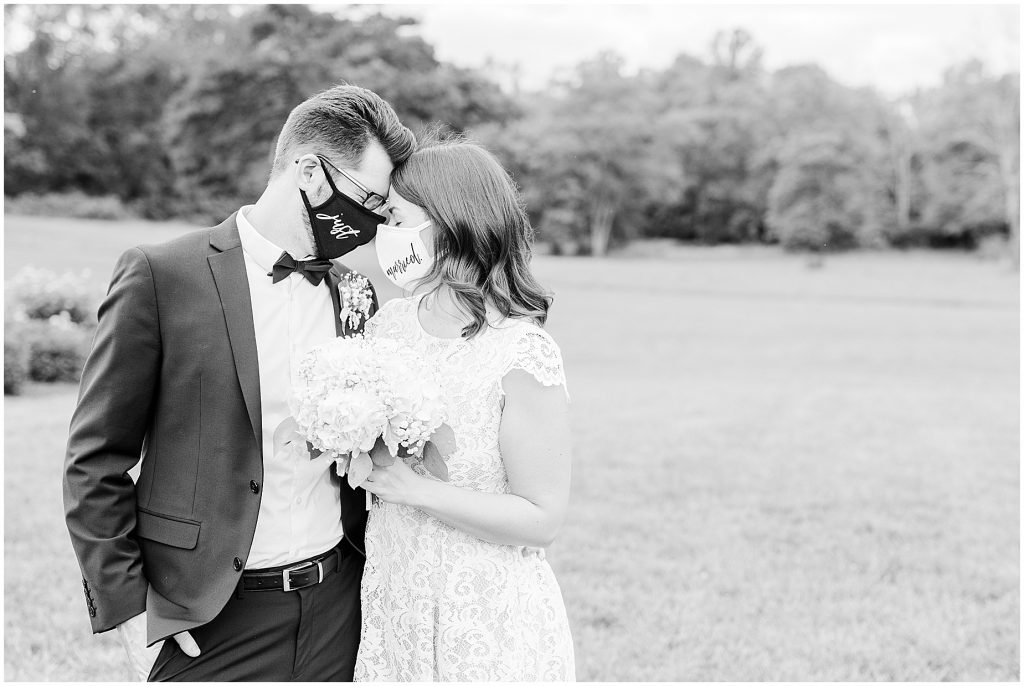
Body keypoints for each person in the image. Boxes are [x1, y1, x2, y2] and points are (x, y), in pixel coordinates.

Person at [62, 84, 415, 681]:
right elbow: (94, 460)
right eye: (367, 200)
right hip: (208, 618)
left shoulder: (354, 292)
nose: (372, 222)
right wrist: (128, 615)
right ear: (310, 172)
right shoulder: (161, 276)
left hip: (336, 607)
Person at [356, 138, 577, 681]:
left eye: (397, 218)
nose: (385, 234)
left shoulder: (520, 353)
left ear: (447, 224)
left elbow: (542, 518)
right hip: (395, 609)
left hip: (486, 619)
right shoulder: (385, 328)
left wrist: (413, 489)